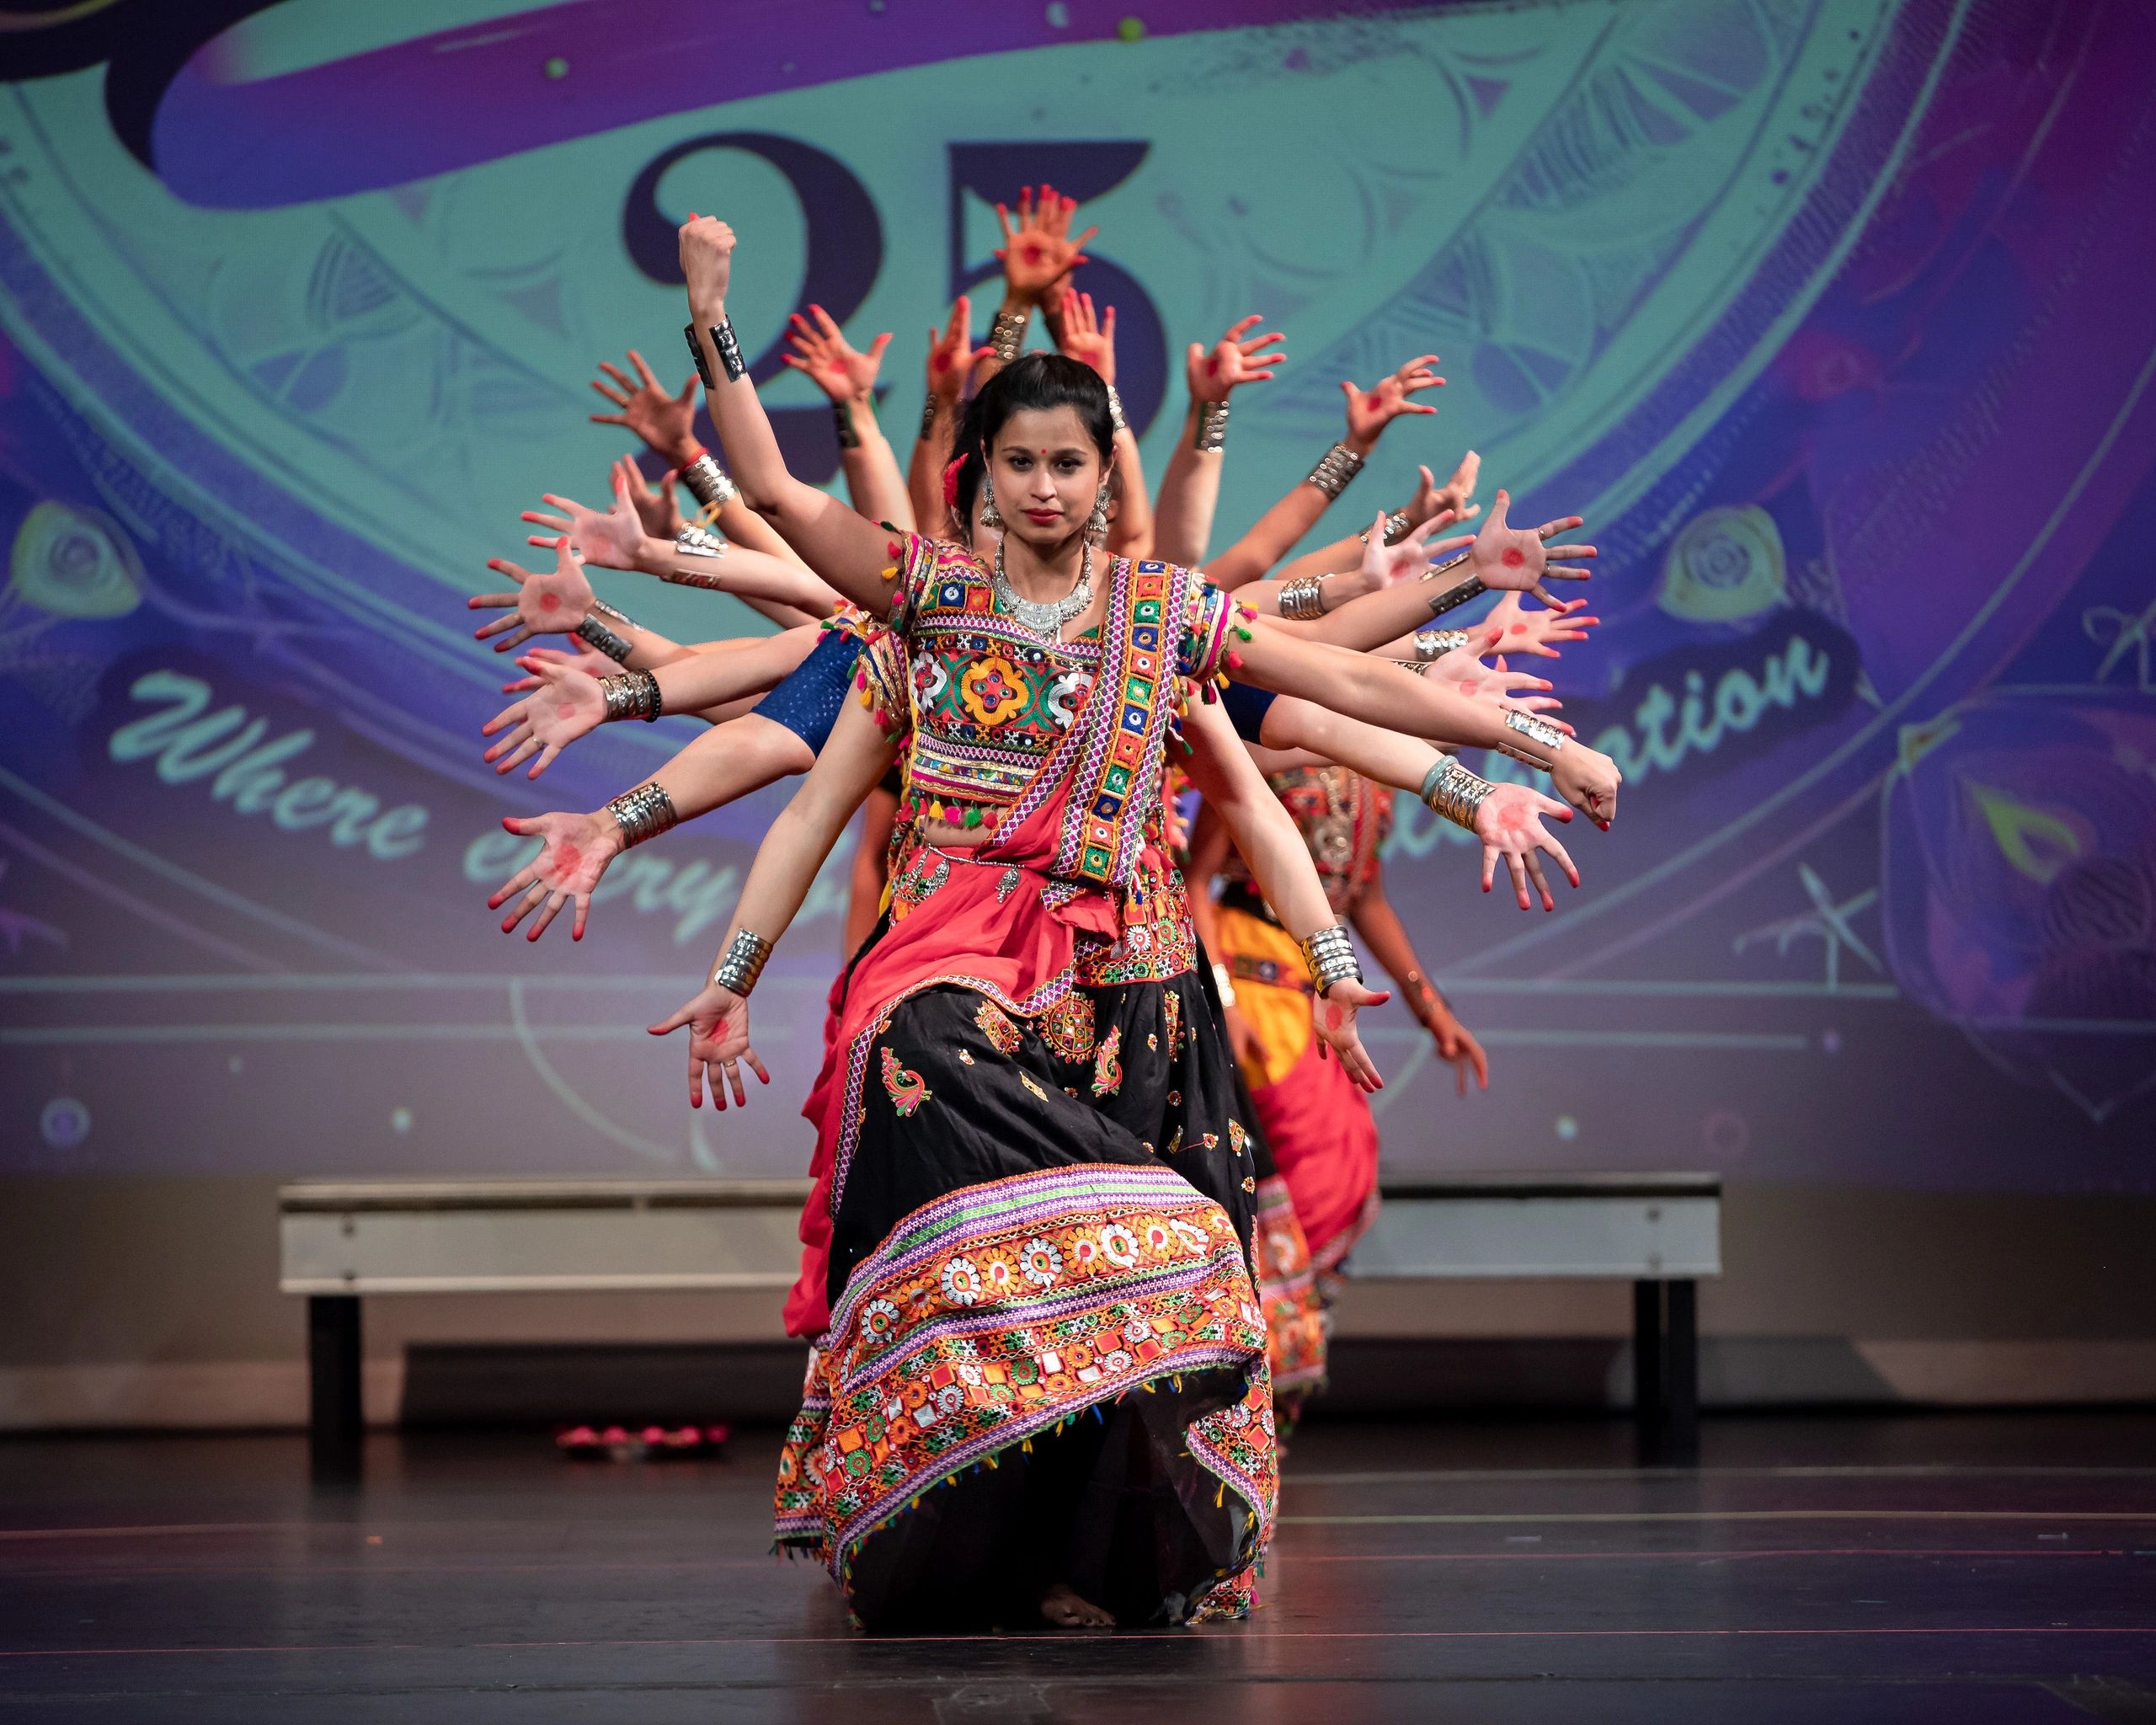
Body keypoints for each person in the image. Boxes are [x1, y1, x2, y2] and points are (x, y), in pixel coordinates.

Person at [640, 213, 1621, 1630]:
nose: (1045, 487)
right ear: (984, 475)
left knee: (1144, 1328)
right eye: (1020, 462)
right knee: (969, 1167)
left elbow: (1348, 695)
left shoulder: (1164, 618)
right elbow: (785, 506)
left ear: (1107, 476)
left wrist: (1535, 749)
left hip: (1140, 1001)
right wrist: (713, 315)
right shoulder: (925, 605)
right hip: (957, 977)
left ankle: (1081, 1563)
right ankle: (957, 1545)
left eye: (1069, 463)